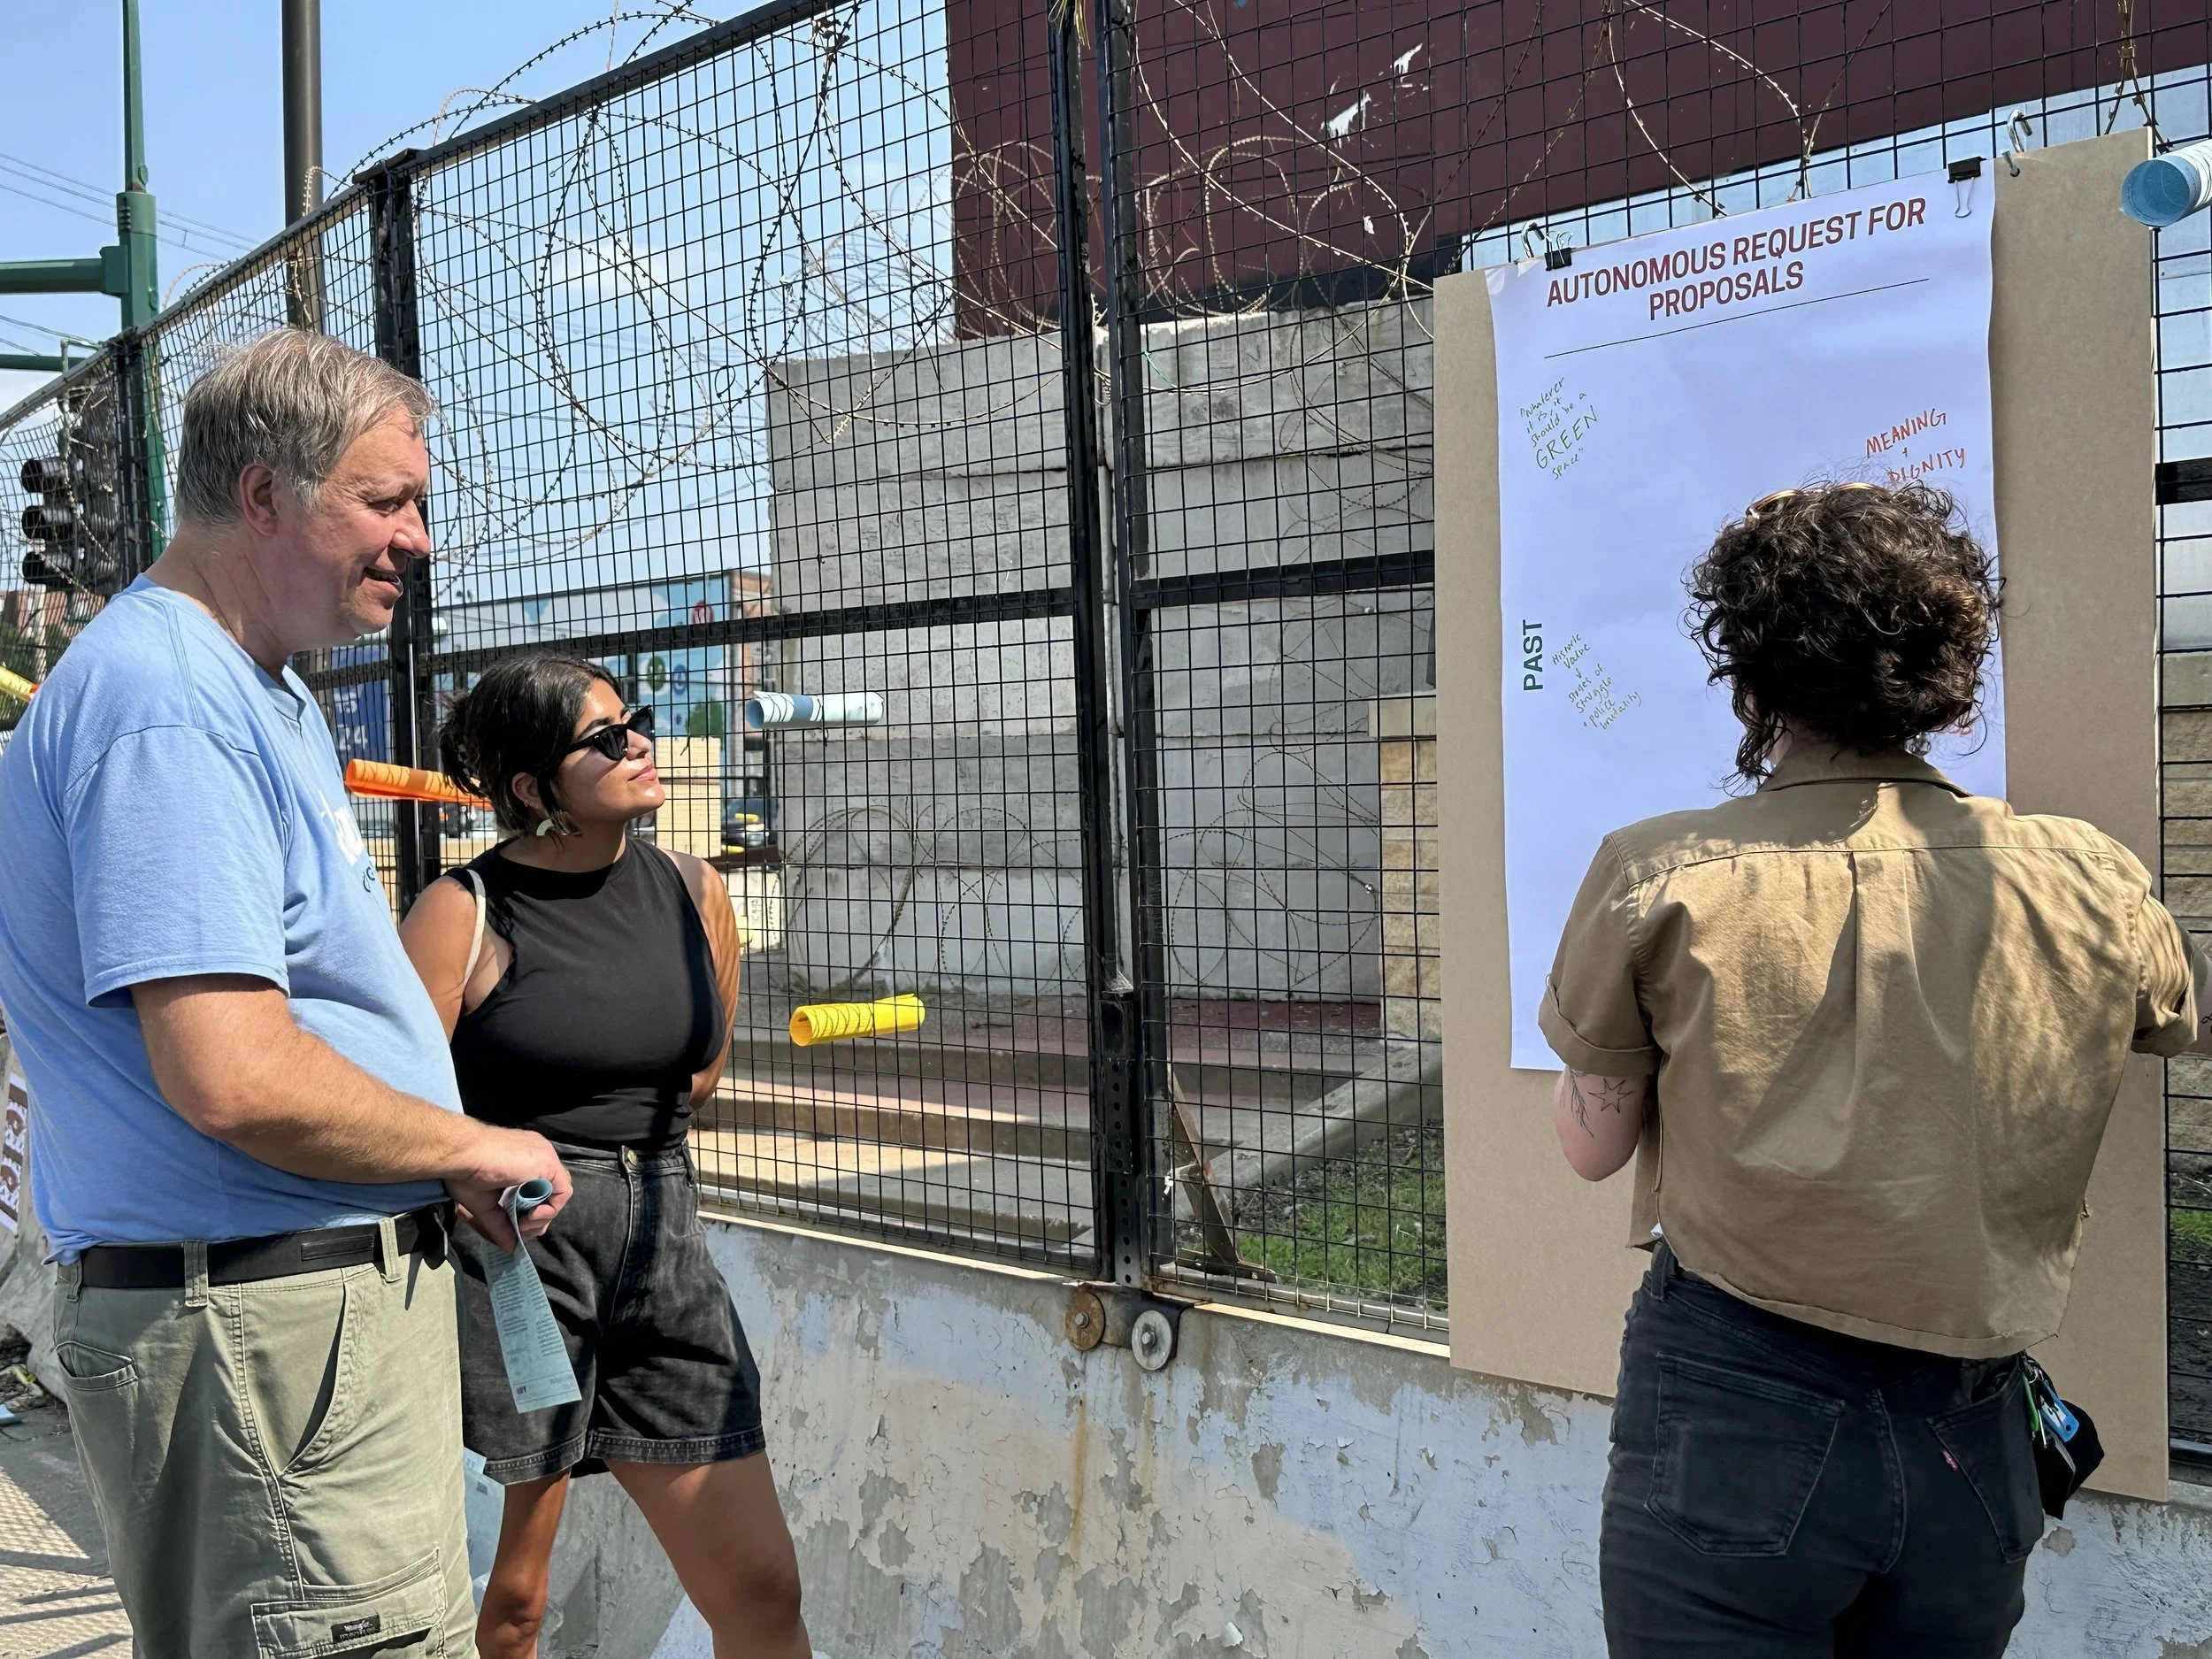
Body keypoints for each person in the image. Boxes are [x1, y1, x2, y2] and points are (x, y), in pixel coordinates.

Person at [1541, 480, 2212, 1657]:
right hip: (1973, 1425)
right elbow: (2169, 1016)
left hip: (1735, 1409)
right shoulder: (2092, 878)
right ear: (1943, 679)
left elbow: (1592, 1146)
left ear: (1749, 676)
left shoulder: (1661, 875)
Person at [0, 329, 572, 1656]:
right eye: (385, 500)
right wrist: (464, 1140)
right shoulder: (172, 706)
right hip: (271, 1338)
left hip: (287, 1330)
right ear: (262, 494)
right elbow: (230, 1068)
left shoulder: (258, 694)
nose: (418, 538)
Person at [397, 653, 809, 1659]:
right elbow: (398, 1108)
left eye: (637, 722)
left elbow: (697, 1076)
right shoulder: (462, 910)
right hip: (522, 1261)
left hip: (667, 1249)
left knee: (762, 1592)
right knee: (515, 1605)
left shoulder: (695, 892)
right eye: (605, 737)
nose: (639, 744)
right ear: (534, 789)